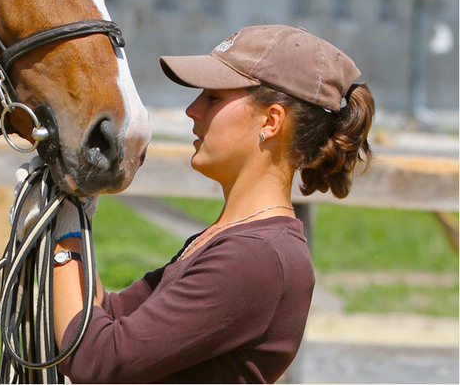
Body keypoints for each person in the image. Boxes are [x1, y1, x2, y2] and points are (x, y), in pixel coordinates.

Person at [23, 24, 375, 383]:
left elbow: (99, 360)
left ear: (271, 121)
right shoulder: (236, 240)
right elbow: (108, 315)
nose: (192, 110)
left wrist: (64, 240)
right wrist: (72, 209)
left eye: (213, 98)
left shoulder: (256, 257)